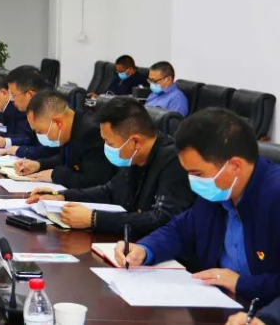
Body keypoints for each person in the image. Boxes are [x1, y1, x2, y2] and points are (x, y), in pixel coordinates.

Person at [115, 108, 280, 304]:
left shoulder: (274, 196)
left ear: (235, 166)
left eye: (197, 174)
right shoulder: (220, 191)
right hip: (218, 301)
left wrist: (241, 283)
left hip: (259, 310)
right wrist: (145, 249)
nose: (192, 181)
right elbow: (182, 229)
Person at [27, 97, 194, 237]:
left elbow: (161, 219)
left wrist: (94, 219)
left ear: (136, 141)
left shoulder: (174, 161)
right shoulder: (134, 156)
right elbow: (110, 191)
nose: (106, 147)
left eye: (109, 143)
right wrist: (62, 196)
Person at [16, 91, 117, 189]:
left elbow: (93, 181)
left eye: (39, 131)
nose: (39, 136)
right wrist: (39, 164)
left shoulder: (92, 133)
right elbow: (64, 159)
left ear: (57, 123)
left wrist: (56, 175)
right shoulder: (72, 124)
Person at [0, 65, 60, 161]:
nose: (12, 100)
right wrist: (6, 143)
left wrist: (19, 150)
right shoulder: (36, 108)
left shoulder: (51, 111)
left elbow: (48, 151)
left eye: (13, 95)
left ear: (29, 94)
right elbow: (31, 140)